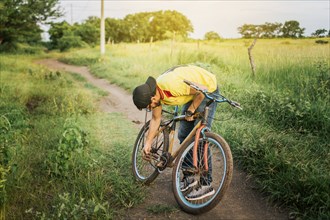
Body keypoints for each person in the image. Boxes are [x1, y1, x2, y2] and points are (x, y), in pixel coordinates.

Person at [132, 64, 219, 200]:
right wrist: (147, 143)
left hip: (207, 89)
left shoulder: (171, 86)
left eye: (148, 106)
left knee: (200, 137)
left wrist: (191, 109)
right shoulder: (155, 93)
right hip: (192, 92)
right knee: (184, 134)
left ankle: (205, 184)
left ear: (152, 98)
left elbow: (201, 92)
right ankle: (190, 176)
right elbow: (156, 119)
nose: (149, 108)